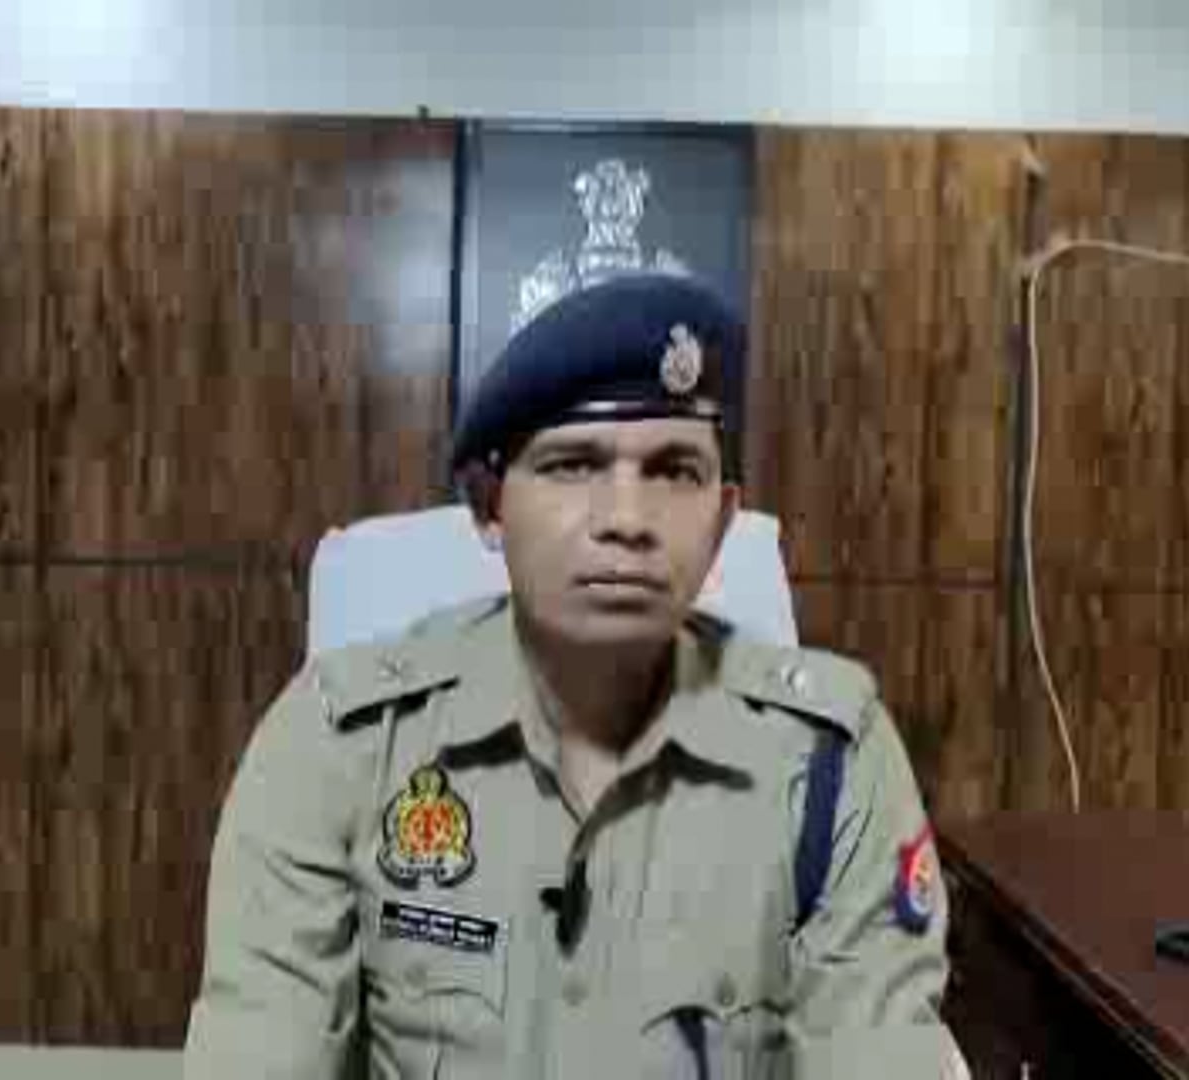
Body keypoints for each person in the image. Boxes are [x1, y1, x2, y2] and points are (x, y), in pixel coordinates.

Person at [184, 274, 966, 1078]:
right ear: (489, 506)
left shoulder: (829, 766)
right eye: (573, 465)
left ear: (723, 520)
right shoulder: (341, 744)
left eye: (674, 471)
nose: (627, 520)